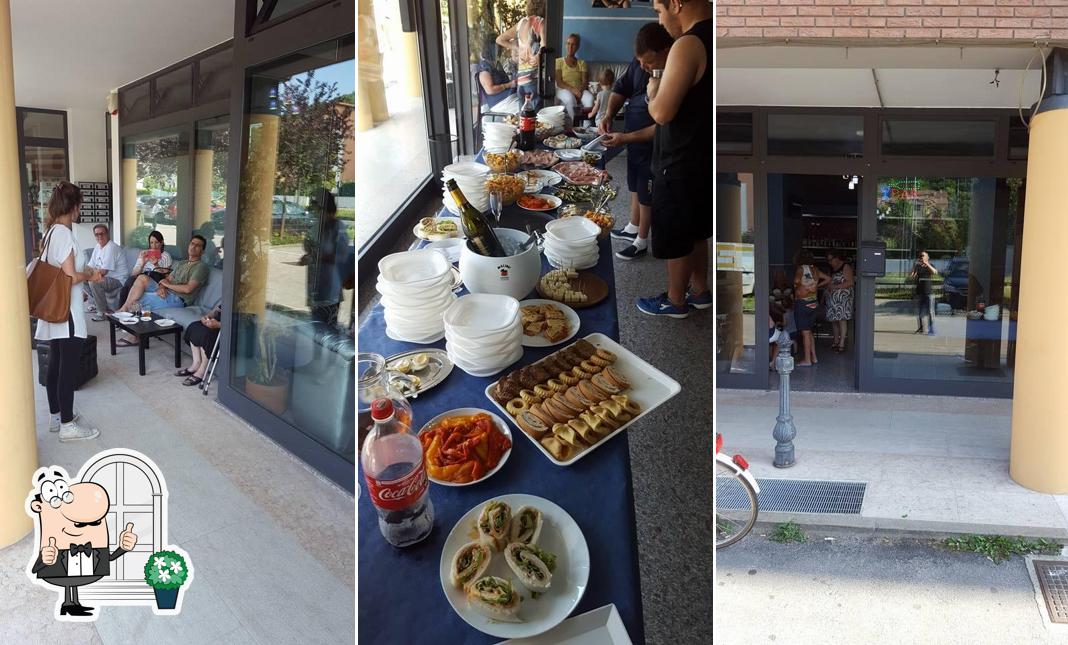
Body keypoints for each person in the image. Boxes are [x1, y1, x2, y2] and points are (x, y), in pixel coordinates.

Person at [635, 0, 713, 317]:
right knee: (696, 231)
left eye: (658, 9)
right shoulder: (713, 36)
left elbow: (662, 113)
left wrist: (653, 90)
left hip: (677, 162)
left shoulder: (688, 43)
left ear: (676, 4)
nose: (660, 18)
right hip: (700, 158)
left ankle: (676, 299)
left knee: (677, 234)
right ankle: (700, 291)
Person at [33, 181, 102, 441]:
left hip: (56, 309)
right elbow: (70, 276)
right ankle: (67, 425)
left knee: (57, 363)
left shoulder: (51, 231)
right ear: (74, 207)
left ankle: (55, 416)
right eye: (80, 204)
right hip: (67, 313)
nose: (81, 208)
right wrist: (90, 276)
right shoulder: (63, 233)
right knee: (67, 369)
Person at [599, 22, 674, 261]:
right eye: (639, 61)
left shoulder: (673, 71)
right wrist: (608, 114)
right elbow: (621, 88)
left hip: (652, 145)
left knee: (646, 191)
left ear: (665, 52)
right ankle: (633, 226)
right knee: (634, 183)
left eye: (648, 62)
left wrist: (625, 137)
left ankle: (642, 240)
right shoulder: (640, 62)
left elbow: (663, 126)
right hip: (633, 142)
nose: (643, 66)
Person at [28, 468, 138, 617]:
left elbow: (109, 558)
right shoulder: (53, 544)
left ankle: (72, 604)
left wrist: (124, 547)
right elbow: (36, 569)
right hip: (59, 570)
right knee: (68, 581)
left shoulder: (95, 547)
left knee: (72, 582)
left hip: (84, 571)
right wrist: (45, 559)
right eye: (79, 524)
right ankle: (68, 604)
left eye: (96, 523)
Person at [115, 236, 210, 346]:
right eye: (192, 243)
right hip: (168, 292)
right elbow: (167, 279)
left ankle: (136, 336)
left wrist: (166, 285)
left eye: (198, 245)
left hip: (178, 299)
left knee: (138, 298)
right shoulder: (182, 263)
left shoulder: (201, 267)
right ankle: (124, 308)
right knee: (141, 278)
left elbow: (188, 289)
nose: (193, 246)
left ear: (202, 251)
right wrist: (162, 287)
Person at [302, 189, 350, 327]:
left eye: (316, 207)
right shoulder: (315, 226)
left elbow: (341, 255)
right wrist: (308, 257)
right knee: (315, 327)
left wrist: (318, 257)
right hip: (314, 285)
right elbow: (311, 249)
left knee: (328, 329)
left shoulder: (336, 227)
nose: (315, 211)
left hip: (329, 286)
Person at [496, 0, 545, 109]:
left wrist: (517, 48)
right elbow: (544, 45)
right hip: (533, 78)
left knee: (522, 118)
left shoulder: (521, 23)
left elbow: (500, 39)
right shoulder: (540, 22)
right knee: (535, 119)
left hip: (521, 80)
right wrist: (538, 56)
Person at [84, 224, 130, 321]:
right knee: (82, 279)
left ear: (108, 234)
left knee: (94, 282)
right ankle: (99, 305)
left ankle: (102, 312)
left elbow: (103, 272)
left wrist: (89, 274)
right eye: (96, 234)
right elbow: (89, 266)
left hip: (119, 280)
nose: (99, 236)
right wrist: (82, 274)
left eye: (102, 234)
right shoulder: (98, 246)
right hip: (106, 278)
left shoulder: (111, 247)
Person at [793, 251, 830, 367]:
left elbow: (796, 281)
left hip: (803, 303)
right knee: (809, 332)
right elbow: (828, 278)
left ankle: (807, 360)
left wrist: (804, 287)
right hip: (813, 303)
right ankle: (814, 357)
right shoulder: (815, 269)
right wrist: (816, 286)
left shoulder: (801, 269)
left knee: (805, 333)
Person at [120, 230, 173, 305]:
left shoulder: (166, 256)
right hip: (141, 276)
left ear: (162, 242)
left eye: (156, 242)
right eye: (151, 243)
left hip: (155, 279)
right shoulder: (144, 254)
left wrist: (156, 265)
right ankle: (121, 310)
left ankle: (125, 309)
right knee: (129, 281)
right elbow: (133, 273)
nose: (154, 246)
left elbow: (166, 276)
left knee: (135, 281)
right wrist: (143, 262)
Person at [175, 305, 221, 387]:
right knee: (195, 326)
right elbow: (216, 310)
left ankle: (202, 370)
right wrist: (207, 317)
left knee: (206, 333)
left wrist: (218, 324)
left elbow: (241, 322)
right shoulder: (230, 295)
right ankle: (196, 364)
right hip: (217, 321)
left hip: (230, 327)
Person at [554, 34, 594, 122]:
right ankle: (573, 126)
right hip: (563, 89)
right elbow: (559, 82)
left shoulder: (582, 63)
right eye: (568, 43)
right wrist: (573, 90)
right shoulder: (559, 61)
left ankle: (586, 128)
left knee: (590, 98)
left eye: (573, 44)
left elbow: (584, 81)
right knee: (570, 98)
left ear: (578, 47)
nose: (570, 47)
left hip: (579, 90)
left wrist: (580, 91)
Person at [824, 251, 855, 352]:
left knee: (842, 320)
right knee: (834, 321)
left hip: (843, 301)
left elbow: (850, 282)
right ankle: (836, 340)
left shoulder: (846, 267)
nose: (829, 262)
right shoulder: (832, 269)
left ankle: (841, 343)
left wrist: (836, 287)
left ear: (837, 258)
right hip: (833, 301)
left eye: (830, 259)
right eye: (828, 260)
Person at [477, 42, 517, 112]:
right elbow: (490, 90)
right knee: (528, 107)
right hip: (499, 102)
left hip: (508, 98)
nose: (500, 51)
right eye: (498, 48)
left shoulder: (496, 64)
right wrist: (509, 85)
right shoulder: (484, 67)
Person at [911, 250, 938, 335]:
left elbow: (935, 272)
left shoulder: (931, 265)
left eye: (923, 256)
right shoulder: (918, 266)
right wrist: (914, 266)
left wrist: (927, 264)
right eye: (920, 256)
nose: (921, 257)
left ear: (927, 257)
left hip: (929, 292)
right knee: (919, 312)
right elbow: (911, 276)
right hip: (919, 292)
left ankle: (931, 329)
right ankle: (921, 328)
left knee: (930, 312)